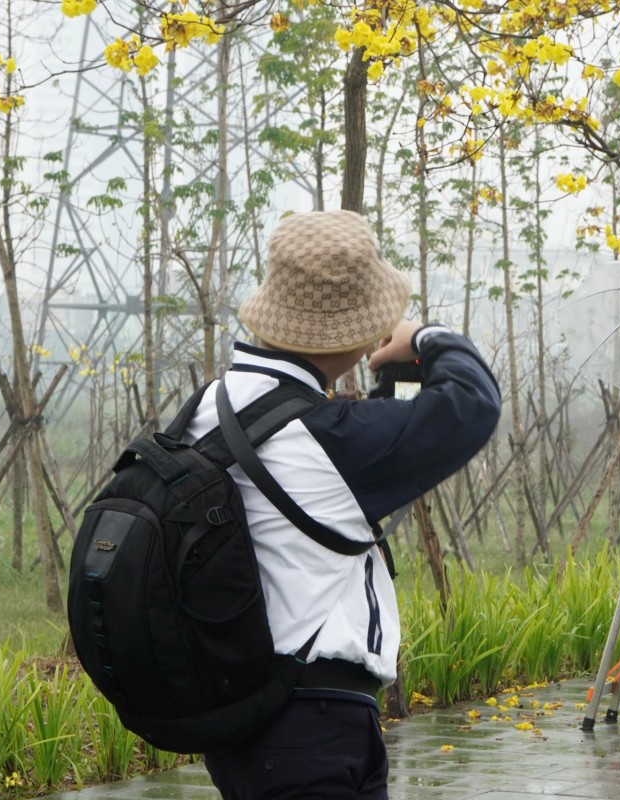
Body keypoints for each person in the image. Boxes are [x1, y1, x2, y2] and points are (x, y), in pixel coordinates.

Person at [183, 209, 502, 798]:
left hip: (242, 715)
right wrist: (426, 339)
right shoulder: (329, 438)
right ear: (361, 332)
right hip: (312, 722)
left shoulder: (208, 406)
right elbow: (472, 404)